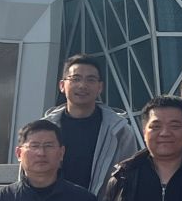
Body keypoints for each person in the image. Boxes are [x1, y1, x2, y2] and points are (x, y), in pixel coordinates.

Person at [43, 54, 142, 193]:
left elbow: (129, 177)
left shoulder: (119, 131)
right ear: (62, 85)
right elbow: (27, 175)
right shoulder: (44, 129)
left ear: (100, 87)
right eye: (75, 79)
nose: (82, 85)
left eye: (90, 80)